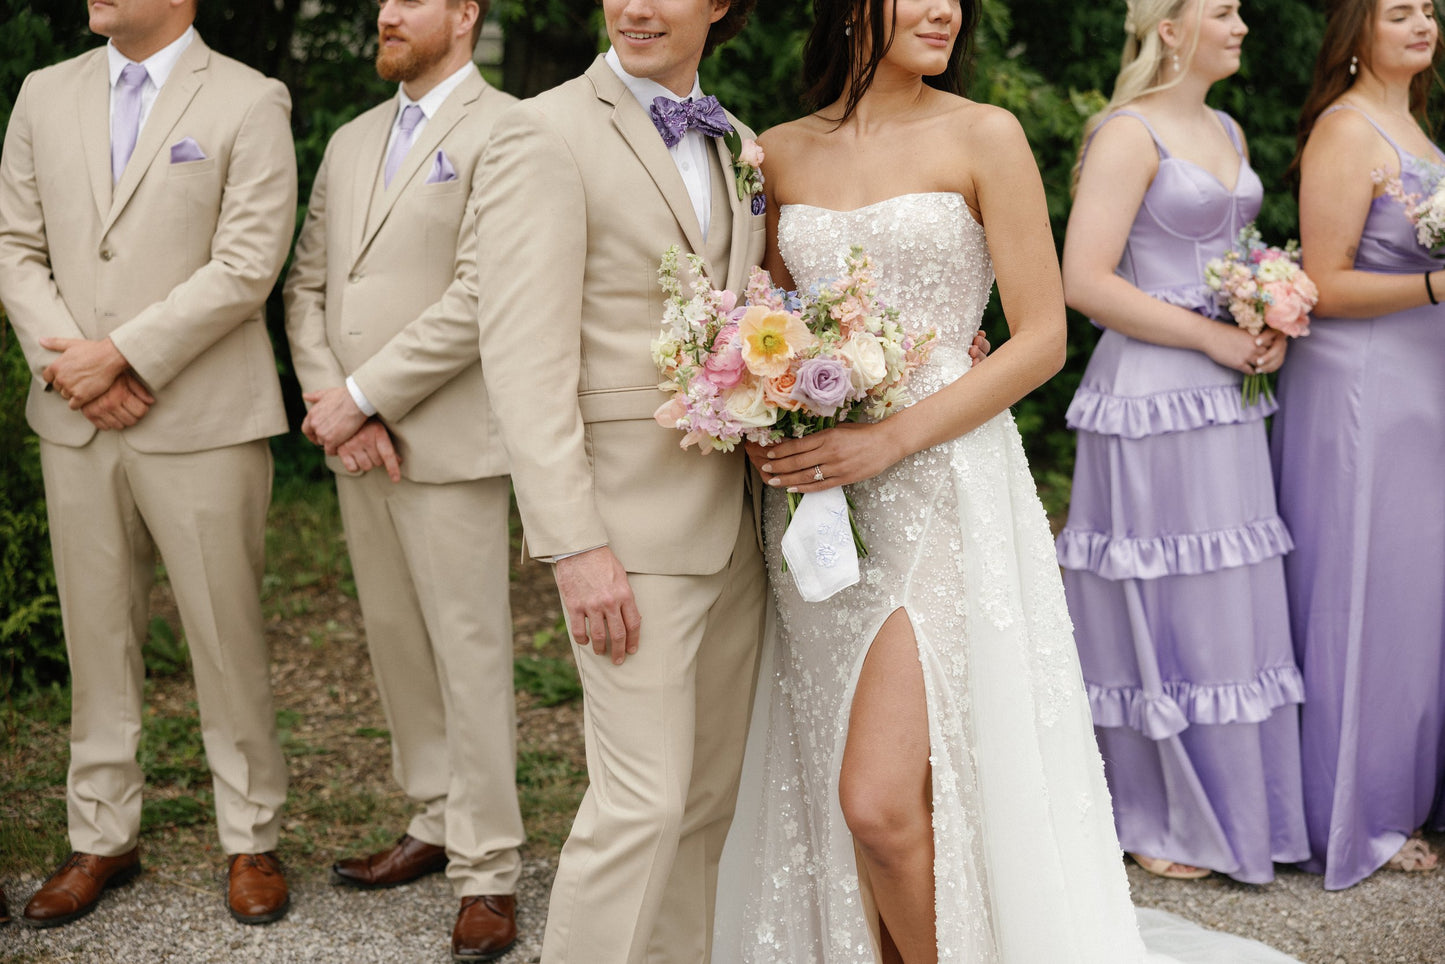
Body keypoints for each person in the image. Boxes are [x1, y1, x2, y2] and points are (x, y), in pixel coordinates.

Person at [716, 0, 1153, 958]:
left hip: (942, 488)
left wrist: (893, 437)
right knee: (863, 780)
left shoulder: (983, 135)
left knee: (874, 802)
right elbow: (758, 324)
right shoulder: (777, 154)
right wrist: (754, 413)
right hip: (818, 502)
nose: (944, 7)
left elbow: (1042, 339)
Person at [472, 1, 767, 961]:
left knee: (705, 802)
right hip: (625, 530)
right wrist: (573, 542)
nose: (636, 6)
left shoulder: (740, 144)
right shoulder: (542, 130)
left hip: (739, 524)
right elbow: (522, 359)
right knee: (638, 804)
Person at [0, 0, 296, 928]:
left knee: (225, 633)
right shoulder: (43, 93)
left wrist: (121, 354)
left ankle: (251, 836)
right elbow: (15, 248)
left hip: (203, 417)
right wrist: (74, 369)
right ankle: (101, 835)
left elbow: (248, 264)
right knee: (97, 634)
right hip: (77, 419)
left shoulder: (250, 101)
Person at [282, 0, 522, 956]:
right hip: (355, 442)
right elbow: (307, 285)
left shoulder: (510, 131)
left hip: (450, 440)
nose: (385, 13)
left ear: (463, 15)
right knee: (394, 641)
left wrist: (366, 396)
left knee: (470, 651)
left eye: (408, 0)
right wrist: (331, 406)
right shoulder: (348, 141)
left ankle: (492, 865)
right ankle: (433, 816)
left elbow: (481, 293)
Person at [1053, 0, 1308, 884]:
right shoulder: (1128, 134)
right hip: (1152, 390)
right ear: (1169, 26)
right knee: (1157, 593)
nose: (1241, 25)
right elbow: (1082, 280)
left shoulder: (1225, 125)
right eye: (1224, 10)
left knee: (1223, 595)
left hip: (1227, 391)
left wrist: (1263, 312)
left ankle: (1244, 808)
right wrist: (1210, 336)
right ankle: (1154, 806)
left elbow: (1230, 253)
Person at [1273, 0, 1445, 890]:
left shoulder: (1412, 124)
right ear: (1356, 32)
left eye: (1429, 9)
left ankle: (1401, 798)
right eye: (1399, 11)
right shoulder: (1344, 129)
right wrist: (1434, 287)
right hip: (1362, 390)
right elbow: (1324, 282)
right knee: (1360, 593)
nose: (1422, 23)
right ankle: (1348, 816)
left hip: (1423, 384)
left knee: (1413, 598)